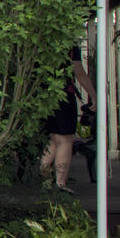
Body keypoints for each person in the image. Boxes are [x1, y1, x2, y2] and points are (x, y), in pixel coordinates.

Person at [40, 46, 94, 192]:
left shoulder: (40, 39)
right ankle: (60, 183)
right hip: (63, 94)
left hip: (43, 94)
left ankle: (45, 175)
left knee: (54, 138)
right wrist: (93, 95)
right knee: (65, 140)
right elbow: (78, 71)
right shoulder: (68, 44)